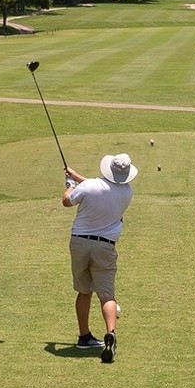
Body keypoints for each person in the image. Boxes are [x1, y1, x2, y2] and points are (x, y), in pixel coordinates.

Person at [61, 153, 137, 364]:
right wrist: (77, 177)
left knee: (84, 291)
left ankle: (84, 337)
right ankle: (110, 333)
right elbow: (101, 189)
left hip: (79, 243)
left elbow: (67, 201)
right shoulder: (127, 192)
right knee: (106, 294)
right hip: (105, 246)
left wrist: (70, 184)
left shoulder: (89, 187)